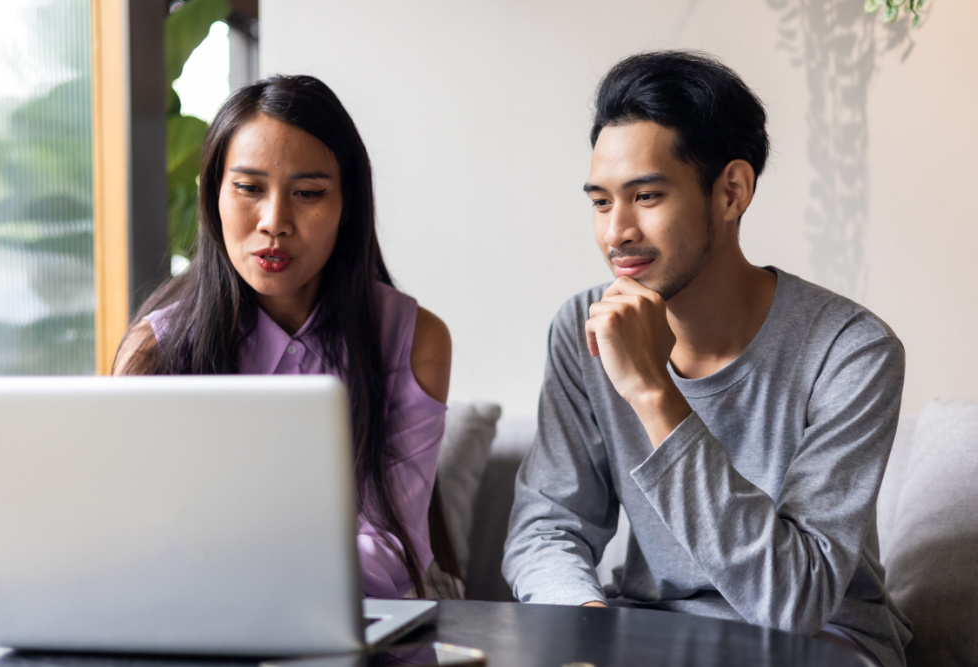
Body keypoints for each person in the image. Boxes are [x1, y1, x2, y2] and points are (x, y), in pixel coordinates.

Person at [502, 51, 912, 666]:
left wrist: (652, 392)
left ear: (732, 191)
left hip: (820, 643)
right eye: (600, 202)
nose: (617, 233)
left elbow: (794, 602)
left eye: (645, 195)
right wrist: (583, 628)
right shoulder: (581, 328)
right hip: (648, 634)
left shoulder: (851, 351)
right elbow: (546, 527)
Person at [113, 74, 454, 600]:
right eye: (248, 188)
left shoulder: (413, 340)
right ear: (213, 197)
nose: (275, 222)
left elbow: (391, 551)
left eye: (309, 194)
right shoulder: (157, 349)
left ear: (348, 207)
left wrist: (221, 563)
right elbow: (130, 540)